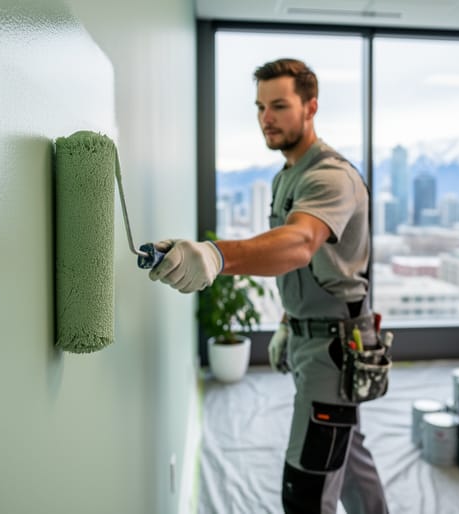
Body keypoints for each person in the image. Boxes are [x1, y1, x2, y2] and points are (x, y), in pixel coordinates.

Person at [149, 58, 389, 514]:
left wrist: (217, 255)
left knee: (306, 494)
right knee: (348, 456)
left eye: (279, 105)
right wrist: (288, 320)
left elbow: (300, 243)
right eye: (260, 106)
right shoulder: (286, 178)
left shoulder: (329, 176)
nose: (266, 117)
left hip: (333, 353)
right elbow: (305, 268)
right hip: (310, 338)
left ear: (311, 107)